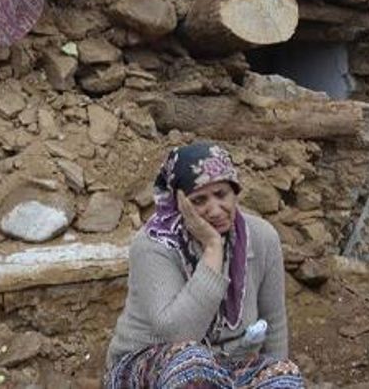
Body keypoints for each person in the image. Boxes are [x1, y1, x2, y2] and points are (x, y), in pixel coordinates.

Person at [105, 141, 303, 389]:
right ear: (178, 202)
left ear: (235, 192)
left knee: (284, 375)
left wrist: (273, 375)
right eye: (199, 200)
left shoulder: (261, 236)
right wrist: (212, 248)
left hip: (228, 365)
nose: (215, 210)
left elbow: (274, 323)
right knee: (192, 364)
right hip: (151, 364)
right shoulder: (153, 245)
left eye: (221, 195)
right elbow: (178, 333)